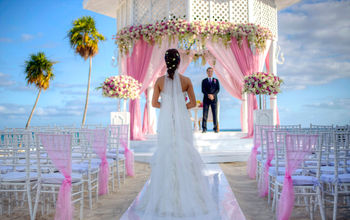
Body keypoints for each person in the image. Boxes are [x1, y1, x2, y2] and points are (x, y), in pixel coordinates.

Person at [134, 49, 220, 219]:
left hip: (167, 121)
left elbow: (153, 103)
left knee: (167, 151)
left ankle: (163, 200)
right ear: (179, 62)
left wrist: (168, 107)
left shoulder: (159, 81)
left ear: (166, 63)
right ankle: (190, 196)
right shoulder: (186, 80)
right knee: (184, 149)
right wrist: (180, 107)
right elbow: (194, 103)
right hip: (181, 120)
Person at [201, 67, 220, 133]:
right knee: (205, 114)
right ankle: (204, 129)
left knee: (215, 114)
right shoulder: (204, 81)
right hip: (206, 99)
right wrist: (208, 95)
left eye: (211, 71)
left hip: (214, 100)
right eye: (208, 71)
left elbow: (218, 89)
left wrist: (213, 95)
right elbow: (203, 90)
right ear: (207, 72)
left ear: (212, 72)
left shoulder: (216, 80)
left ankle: (215, 128)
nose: (210, 72)